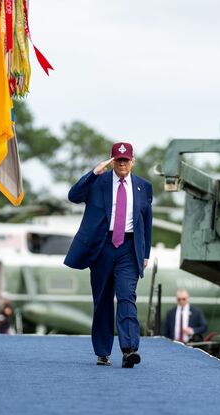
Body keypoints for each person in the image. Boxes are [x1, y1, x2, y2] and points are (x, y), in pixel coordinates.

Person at [64, 142, 153, 368]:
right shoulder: (98, 182)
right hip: (102, 247)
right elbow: (73, 196)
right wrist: (93, 173)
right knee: (103, 300)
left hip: (129, 249)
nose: (122, 163)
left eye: (126, 160)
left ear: (132, 162)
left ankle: (129, 350)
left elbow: (147, 223)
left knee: (126, 295)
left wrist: (145, 254)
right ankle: (103, 352)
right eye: (118, 160)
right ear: (112, 161)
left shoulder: (144, 187)